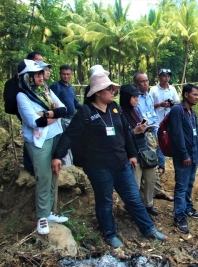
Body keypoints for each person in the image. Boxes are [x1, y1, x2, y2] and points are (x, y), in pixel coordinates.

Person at [51, 71, 167, 248]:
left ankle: (148, 228)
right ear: (98, 92)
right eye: (109, 89)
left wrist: (132, 154)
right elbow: (70, 135)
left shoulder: (115, 109)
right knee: (105, 201)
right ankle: (110, 234)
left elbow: (126, 134)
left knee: (134, 198)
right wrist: (58, 156)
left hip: (121, 164)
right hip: (98, 167)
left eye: (113, 89)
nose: (113, 92)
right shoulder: (85, 112)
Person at [16, 59, 68, 235]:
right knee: (44, 177)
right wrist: (53, 114)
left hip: (55, 136)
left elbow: (64, 109)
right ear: (27, 78)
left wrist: (47, 114)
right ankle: (42, 217)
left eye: (40, 74)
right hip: (39, 141)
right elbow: (35, 122)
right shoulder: (22, 96)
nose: (40, 77)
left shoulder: (46, 91)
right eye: (36, 75)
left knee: (54, 174)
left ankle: (49, 212)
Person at [119, 83, 160, 216]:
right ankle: (133, 208)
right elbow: (121, 136)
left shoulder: (135, 111)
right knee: (134, 184)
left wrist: (144, 126)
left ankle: (148, 204)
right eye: (134, 97)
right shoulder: (119, 114)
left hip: (144, 150)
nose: (137, 99)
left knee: (150, 179)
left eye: (137, 97)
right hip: (131, 154)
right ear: (126, 98)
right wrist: (135, 131)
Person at [134, 71, 173, 202]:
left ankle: (155, 191)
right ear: (136, 83)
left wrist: (157, 133)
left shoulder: (148, 97)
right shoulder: (135, 99)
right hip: (142, 134)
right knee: (148, 164)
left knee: (152, 163)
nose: (145, 84)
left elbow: (153, 116)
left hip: (151, 132)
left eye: (146, 81)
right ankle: (147, 194)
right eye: (142, 81)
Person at [169, 83, 198, 234]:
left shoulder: (191, 112)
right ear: (186, 95)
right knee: (181, 186)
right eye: (194, 94)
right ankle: (179, 216)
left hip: (193, 155)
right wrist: (184, 154)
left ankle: (188, 208)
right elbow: (176, 134)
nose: (197, 97)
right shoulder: (177, 110)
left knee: (189, 183)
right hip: (184, 156)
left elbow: (195, 135)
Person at [149, 68, 180, 176]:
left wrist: (171, 104)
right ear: (159, 77)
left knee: (173, 139)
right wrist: (160, 104)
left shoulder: (172, 89)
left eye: (168, 76)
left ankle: (176, 161)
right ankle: (161, 165)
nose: (166, 78)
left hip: (170, 119)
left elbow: (178, 103)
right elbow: (149, 105)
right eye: (164, 76)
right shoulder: (153, 90)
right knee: (160, 142)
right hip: (157, 119)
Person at [50, 65, 82, 166]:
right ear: (60, 74)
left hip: (71, 119)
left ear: (71, 75)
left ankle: (71, 165)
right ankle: (65, 167)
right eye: (64, 74)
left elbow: (75, 103)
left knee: (71, 143)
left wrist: (87, 109)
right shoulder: (56, 87)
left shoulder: (70, 88)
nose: (66, 76)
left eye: (68, 74)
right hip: (61, 120)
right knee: (63, 143)